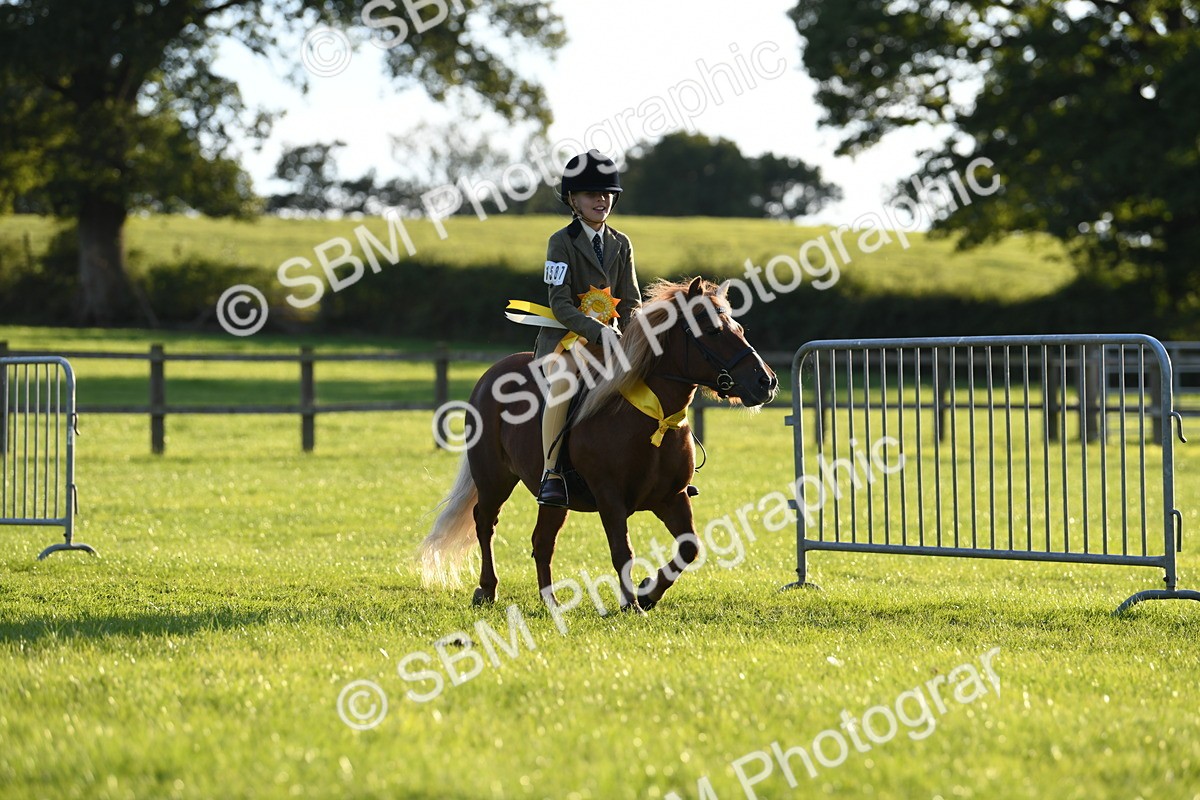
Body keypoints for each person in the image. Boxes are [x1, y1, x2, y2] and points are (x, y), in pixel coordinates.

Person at [534, 150, 641, 507]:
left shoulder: (621, 243)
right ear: (573, 200)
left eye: (607, 193)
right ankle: (551, 472)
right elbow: (560, 304)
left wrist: (636, 337)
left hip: (613, 340)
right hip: (566, 342)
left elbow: (631, 301)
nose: (601, 200)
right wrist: (598, 331)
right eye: (592, 194)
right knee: (563, 384)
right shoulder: (560, 242)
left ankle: (662, 466)